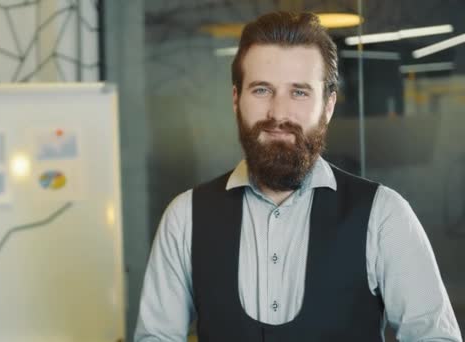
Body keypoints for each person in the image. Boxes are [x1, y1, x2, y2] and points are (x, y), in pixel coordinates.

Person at [134, 11, 463, 342]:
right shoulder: (185, 218)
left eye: (300, 92)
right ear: (236, 100)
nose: (279, 113)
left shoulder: (384, 216)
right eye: (262, 90)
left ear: (329, 105)